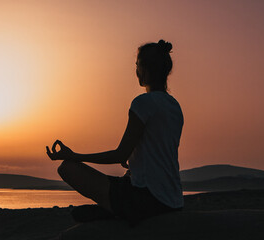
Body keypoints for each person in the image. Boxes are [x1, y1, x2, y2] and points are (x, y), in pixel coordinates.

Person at [46, 39, 183, 223]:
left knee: (67, 168)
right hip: (173, 200)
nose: (136, 71)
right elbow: (158, 148)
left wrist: (74, 155)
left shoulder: (143, 103)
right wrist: (135, 159)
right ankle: (111, 210)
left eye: (137, 65)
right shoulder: (175, 106)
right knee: (106, 194)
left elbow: (119, 155)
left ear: (145, 68)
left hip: (145, 199)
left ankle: (114, 211)